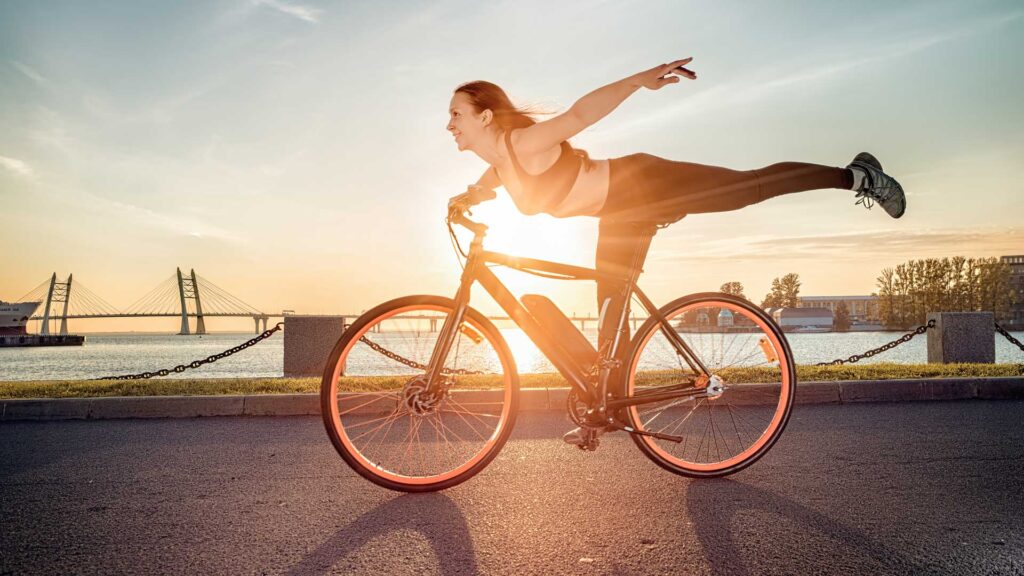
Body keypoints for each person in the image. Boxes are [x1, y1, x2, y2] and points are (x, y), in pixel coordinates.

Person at [445, 57, 905, 375]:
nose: (450, 124)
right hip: (620, 215)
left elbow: (581, 113)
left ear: (485, 117)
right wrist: (466, 199)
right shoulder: (500, 165)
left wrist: (635, 81)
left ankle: (858, 175)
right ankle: (606, 401)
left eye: (456, 114)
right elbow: (489, 182)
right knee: (609, 319)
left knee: (749, 187)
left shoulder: (523, 145)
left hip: (645, 183)